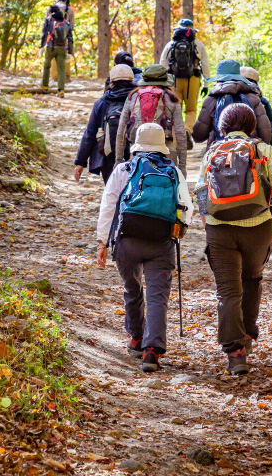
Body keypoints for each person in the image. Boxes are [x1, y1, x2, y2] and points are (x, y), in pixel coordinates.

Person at [195, 103, 272, 375]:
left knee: (228, 292)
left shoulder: (213, 151)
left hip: (220, 229)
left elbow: (200, 191)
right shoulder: (262, 149)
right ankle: (248, 336)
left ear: (222, 127)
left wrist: (209, 224)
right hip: (257, 226)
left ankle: (235, 354)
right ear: (252, 127)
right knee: (252, 280)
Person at [97, 123, 194, 373]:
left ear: (136, 144)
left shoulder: (124, 168)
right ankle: (152, 352)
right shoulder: (173, 170)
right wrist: (179, 230)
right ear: (162, 145)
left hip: (127, 240)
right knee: (157, 295)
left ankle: (136, 337)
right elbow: (187, 207)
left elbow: (108, 203)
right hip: (161, 242)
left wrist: (102, 242)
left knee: (132, 288)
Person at [114, 65, 188, 176]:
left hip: (137, 152)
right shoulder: (172, 99)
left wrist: (118, 159)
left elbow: (121, 130)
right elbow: (180, 133)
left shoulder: (133, 97)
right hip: (166, 153)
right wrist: (182, 166)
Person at [191, 59, 272, 151]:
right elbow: (265, 136)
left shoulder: (211, 100)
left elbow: (198, 136)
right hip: (249, 154)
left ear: (218, 79)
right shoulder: (254, 99)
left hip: (219, 154)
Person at [75, 65, 135, 184]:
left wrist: (80, 162)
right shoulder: (137, 100)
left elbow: (90, 133)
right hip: (133, 155)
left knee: (112, 191)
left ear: (111, 80)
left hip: (107, 156)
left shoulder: (101, 103)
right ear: (131, 80)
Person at [159, 19, 209, 130]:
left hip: (174, 80)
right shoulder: (198, 44)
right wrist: (206, 85)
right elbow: (205, 64)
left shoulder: (171, 44)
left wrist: (162, 83)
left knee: (175, 109)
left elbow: (162, 64)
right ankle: (187, 129)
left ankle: (176, 135)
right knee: (191, 110)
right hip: (193, 79)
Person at [239, 66, 272, 155]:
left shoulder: (228, 99)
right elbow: (271, 128)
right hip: (257, 147)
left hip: (233, 147)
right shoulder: (262, 101)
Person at [40, 7, 73, 95]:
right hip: (62, 48)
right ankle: (61, 90)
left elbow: (44, 33)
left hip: (50, 46)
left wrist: (41, 46)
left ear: (51, 12)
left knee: (47, 66)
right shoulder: (66, 22)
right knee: (61, 69)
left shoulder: (49, 20)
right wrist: (69, 51)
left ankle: (45, 86)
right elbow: (70, 37)